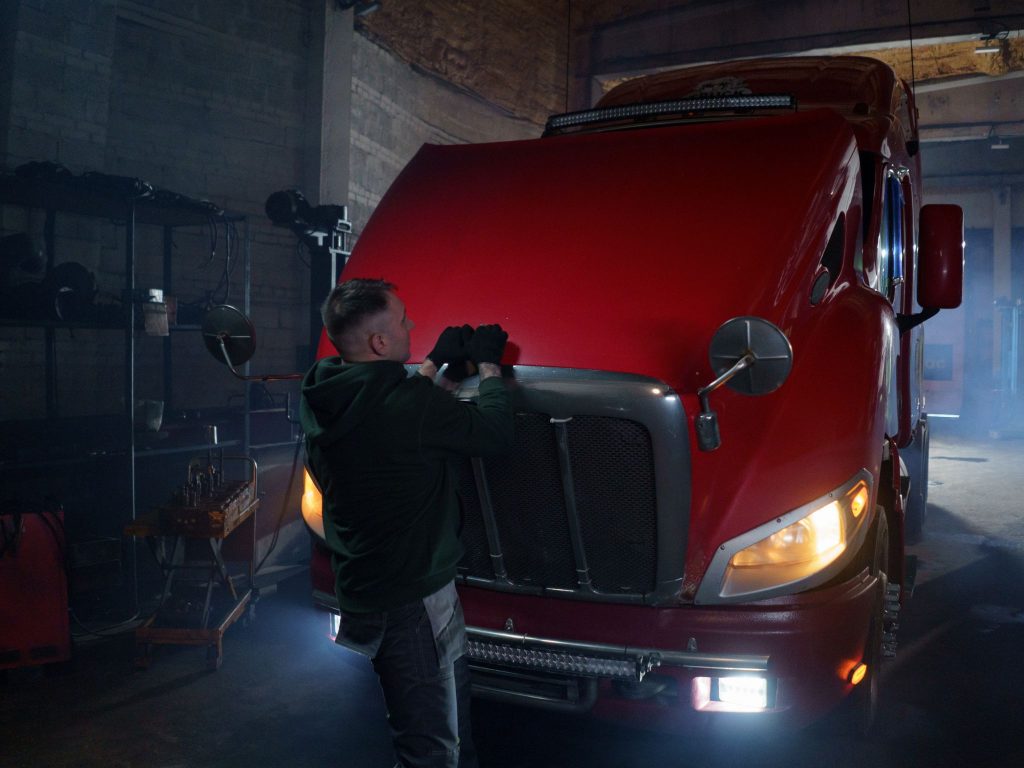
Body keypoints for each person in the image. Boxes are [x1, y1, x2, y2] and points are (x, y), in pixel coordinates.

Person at [299, 277, 512, 768]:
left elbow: (384, 413)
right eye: (401, 319)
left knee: (431, 724)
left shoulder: (322, 392)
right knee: (435, 747)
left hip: (367, 584)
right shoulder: (410, 406)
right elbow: (495, 434)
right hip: (413, 598)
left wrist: (433, 366)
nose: (411, 324)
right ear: (379, 342)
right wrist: (489, 367)